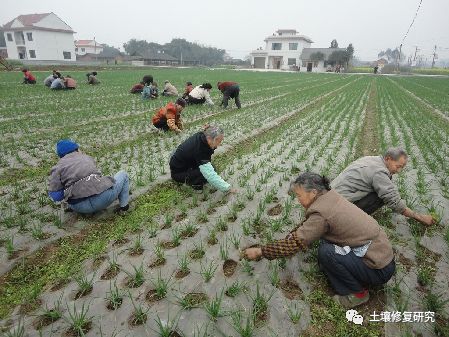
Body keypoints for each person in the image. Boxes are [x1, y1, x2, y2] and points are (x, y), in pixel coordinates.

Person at [244, 172, 395, 308]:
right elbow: (308, 226)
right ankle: (347, 269)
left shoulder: (322, 213)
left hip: (378, 267)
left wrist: (261, 251)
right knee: (326, 242)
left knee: (326, 252)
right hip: (381, 254)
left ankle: (357, 294)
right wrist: (294, 233)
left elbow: (295, 242)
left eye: (299, 195)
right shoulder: (330, 196)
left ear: (313, 192)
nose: (297, 200)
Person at [331, 147, 434, 226]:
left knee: (381, 190)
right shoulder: (379, 172)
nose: (399, 171)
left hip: (331, 196)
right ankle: (352, 220)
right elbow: (394, 201)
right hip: (336, 208)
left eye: (402, 168)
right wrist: (419, 217)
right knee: (381, 197)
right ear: (388, 158)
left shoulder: (372, 159)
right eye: (398, 166)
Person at [48, 139, 130, 214]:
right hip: (102, 200)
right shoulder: (87, 158)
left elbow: (56, 197)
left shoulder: (57, 167)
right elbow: (97, 177)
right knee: (123, 174)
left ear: (60, 156)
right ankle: (124, 207)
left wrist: (70, 187)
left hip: (79, 207)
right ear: (77, 149)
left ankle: (73, 207)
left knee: (70, 195)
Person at [170, 124, 234, 191]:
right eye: (219, 141)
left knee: (210, 167)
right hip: (178, 174)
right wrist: (227, 189)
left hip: (180, 163)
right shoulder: (201, 149)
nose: (219, 144)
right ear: (209, 138)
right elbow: (209, 174)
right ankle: (192, 184)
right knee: (206, 173)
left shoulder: (202, 135)